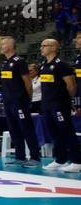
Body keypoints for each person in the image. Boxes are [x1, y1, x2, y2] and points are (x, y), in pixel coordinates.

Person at [38, 37, 79, 171]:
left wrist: (66, 100)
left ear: (53, 48)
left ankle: (77, 161)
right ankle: (60, 159)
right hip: (47, 105)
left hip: (60, 105)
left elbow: (71, 86)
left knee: (67, 131)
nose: (41, 48)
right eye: (41, 45)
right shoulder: (43, 65)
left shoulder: (62, 65)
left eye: (44, 45)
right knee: (54, 133)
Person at [0, 36, 40, 166]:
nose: (0, 46)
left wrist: (27, 100)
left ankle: (35, 157)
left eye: (3, 44)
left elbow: (27, 83)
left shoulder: (19, 61)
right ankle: (20, 156)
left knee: (26, 128)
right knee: (13, 129)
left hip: (19, 101)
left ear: (11, 46)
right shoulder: (5, 63)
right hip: (8, 102)